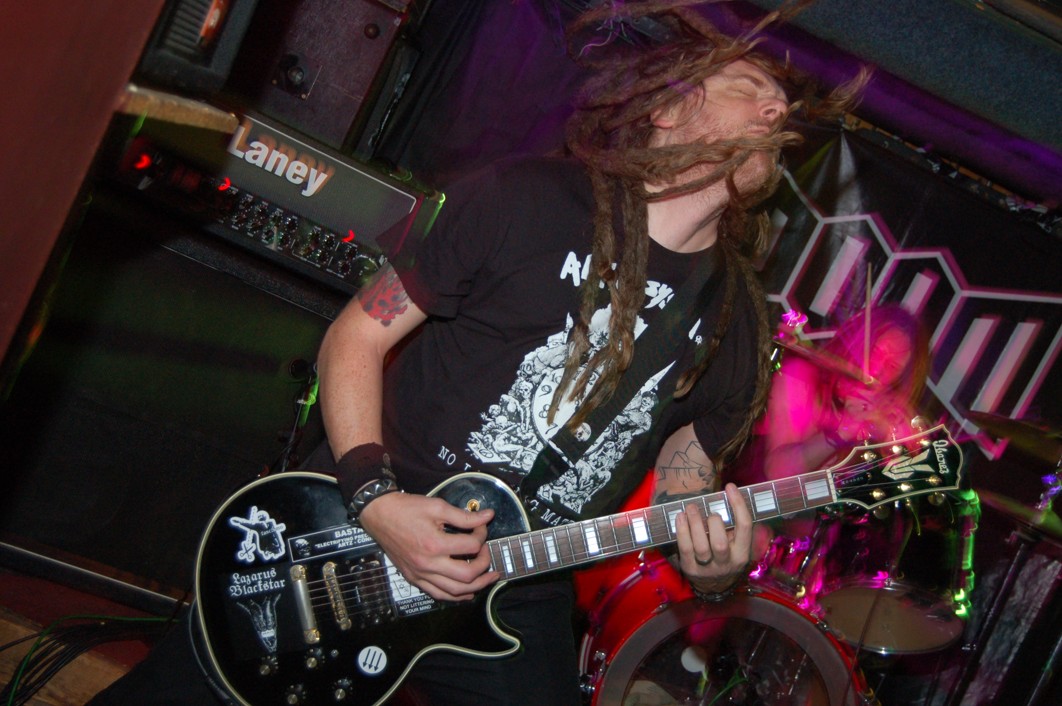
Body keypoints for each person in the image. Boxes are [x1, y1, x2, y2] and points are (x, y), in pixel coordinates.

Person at [89, 2, 866, 704]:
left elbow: (686, 487)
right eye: (749, 88)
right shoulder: (530, 200)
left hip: (519, 583)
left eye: (783, 105)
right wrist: (376, 502)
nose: (777, 109)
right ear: (668, 108)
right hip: (359, 526)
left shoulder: (736, 324)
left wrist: (716, 567)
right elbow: (357, 334)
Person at [762, 304, 930, 481]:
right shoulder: (801, 378)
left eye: (892, 366)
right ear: (860, 343)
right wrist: (840, 433)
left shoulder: (888, 421)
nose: (877, 369)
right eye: (876, 351)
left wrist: (896, 450)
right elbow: (776, 471)